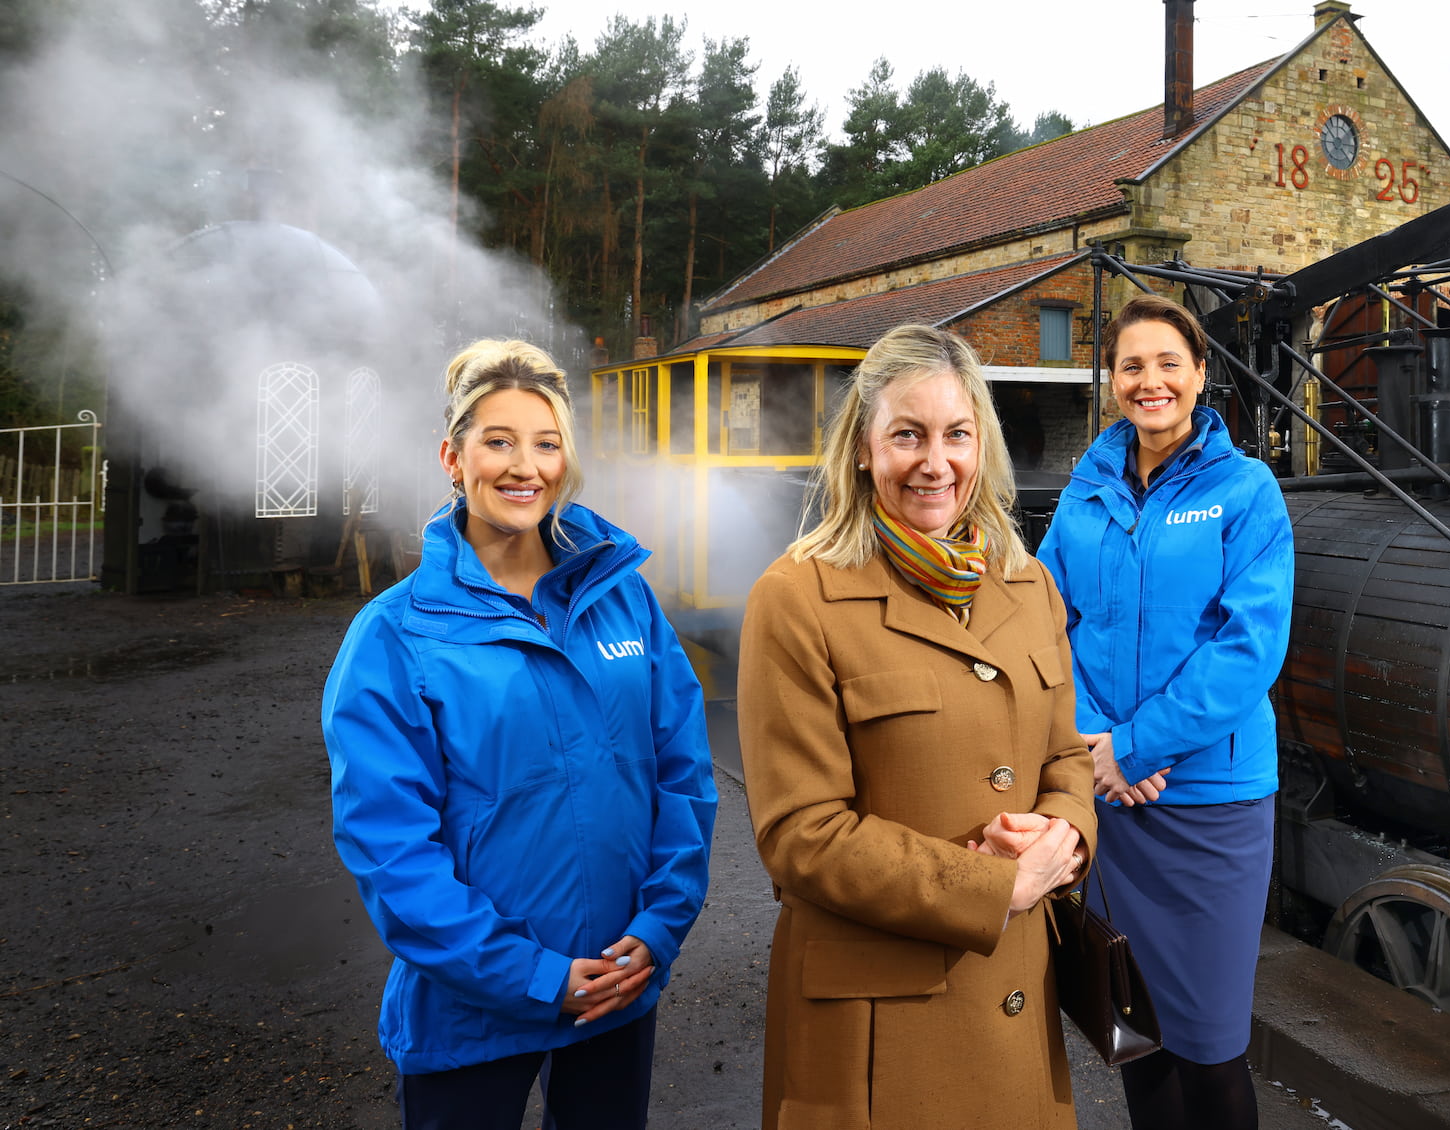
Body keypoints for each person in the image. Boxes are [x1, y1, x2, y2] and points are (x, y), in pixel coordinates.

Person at [322, 339, 717, 1129]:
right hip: (469, 1018)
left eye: (546, 443)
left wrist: (658, 926)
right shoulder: (395, 635)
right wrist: (534, 977)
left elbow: (682, 776)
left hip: (617, 987)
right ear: (452, 456)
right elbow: (391, 848)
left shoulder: (624, 602)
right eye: (497, 441)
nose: (523, 466)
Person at [737, 324, 1097, 1130]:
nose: (936, 462)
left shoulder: (1027, 583)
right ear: (863, 449)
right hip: (879, 1035)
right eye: (908, 434)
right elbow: (800, 834)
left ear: (983, 444)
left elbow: (1067, 756)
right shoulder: (796, 599)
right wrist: (999, 883)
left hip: (1015, 1004)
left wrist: (1060, 840)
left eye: (957, 434)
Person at [1038, 294, 1294, 1130]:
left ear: (1200, 375)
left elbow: (1248, 649)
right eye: (1131, 366)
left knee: (1212, 1050)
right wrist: (1094, 744)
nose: (1150, 382)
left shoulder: (1247, 492)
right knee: (1138, 1038)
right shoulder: (1085, 490)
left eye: (1167, 364)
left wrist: (1136, 746)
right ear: (1111, 381)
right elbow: (1045, 623)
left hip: (1210, 807)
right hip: (1112, 797)